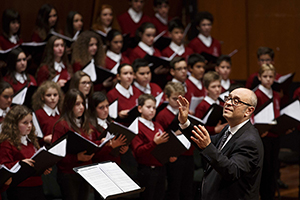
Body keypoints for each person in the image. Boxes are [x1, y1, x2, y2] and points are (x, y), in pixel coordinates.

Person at [177, 88, 264, 200]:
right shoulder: (229, 128)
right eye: (228, 98)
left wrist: (207, 147)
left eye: (236, 101)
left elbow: (232, 171)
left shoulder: (249, 141)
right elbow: (205, 140)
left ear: (248, 111)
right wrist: (185, 123)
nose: (227, 103)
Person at [51, 89, 99, 200]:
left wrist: (99, 144)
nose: (81, 107)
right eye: (77, 104)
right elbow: (55, 155)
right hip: (68, 174)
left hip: (85, 171)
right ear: (69, 105)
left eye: (83, 103)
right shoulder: (61, 125)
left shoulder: (86, 123)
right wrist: (76, 157)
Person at [0, 105, 51, 200]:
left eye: (31, 122)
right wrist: (20, 164)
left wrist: (43, 167)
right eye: (25, 123)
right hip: (19, 189)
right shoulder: (7, 143)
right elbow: (4, 167)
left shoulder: (32, 141)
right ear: (14, 124)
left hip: (37, 186)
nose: (30, 125)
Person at [155, 82, 194, 200]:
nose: (178, 102)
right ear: (166, 98)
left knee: (187, 188)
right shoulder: (162, 115)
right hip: (174, 156)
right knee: (174, 189)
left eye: (181, 99)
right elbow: (162, 137)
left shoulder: (187, 113)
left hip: (188, 154)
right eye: (174, 99)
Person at [131, 93, 173, 200]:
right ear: (140, 108)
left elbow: (165, 146)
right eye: (148, 107)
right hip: (147, 170)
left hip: (160, 168)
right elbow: (138, 151)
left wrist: (170, 154)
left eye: (154, 107)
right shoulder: (137, 126)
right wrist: (154, 143)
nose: (152, 110)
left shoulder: (157, 125)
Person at [253, 64, 281, 200]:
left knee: (273, 168)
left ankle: (270, 195)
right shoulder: (256, 95)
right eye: (265, 76)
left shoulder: (276, 94)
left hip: (275, 135)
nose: (268, 79)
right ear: (259, 77)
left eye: (271, 77)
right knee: (265, 169)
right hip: (263, 136)